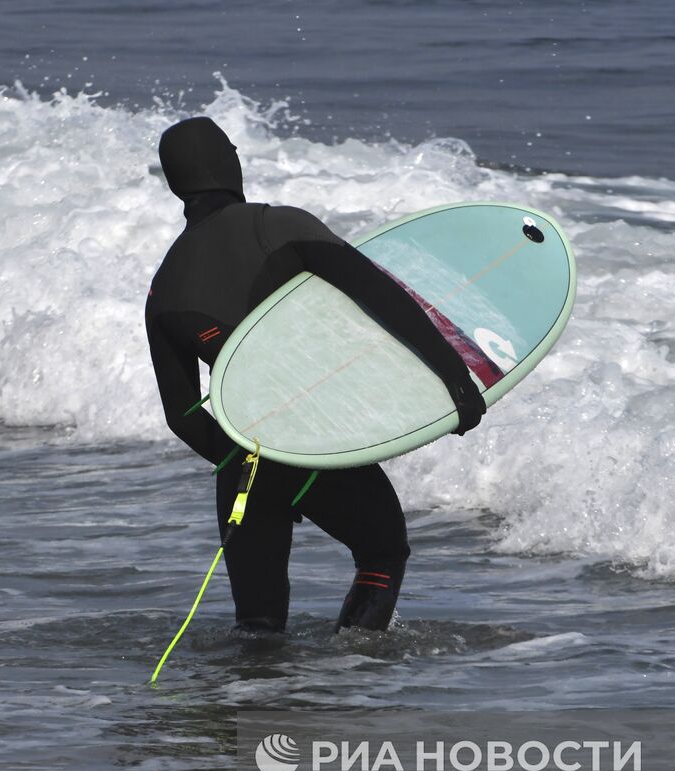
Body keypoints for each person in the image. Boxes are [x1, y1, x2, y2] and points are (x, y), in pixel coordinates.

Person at [145, 117, 484, 634]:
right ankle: (350, 681)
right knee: (382, 551)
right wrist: (454, 379)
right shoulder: (276, 225)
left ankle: (249, 706)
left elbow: (182, 415)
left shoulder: (163, 286)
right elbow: (385, 298)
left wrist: (246, 456)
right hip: (310, 437)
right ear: (227, 163)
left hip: (240, 461)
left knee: (257, 626)